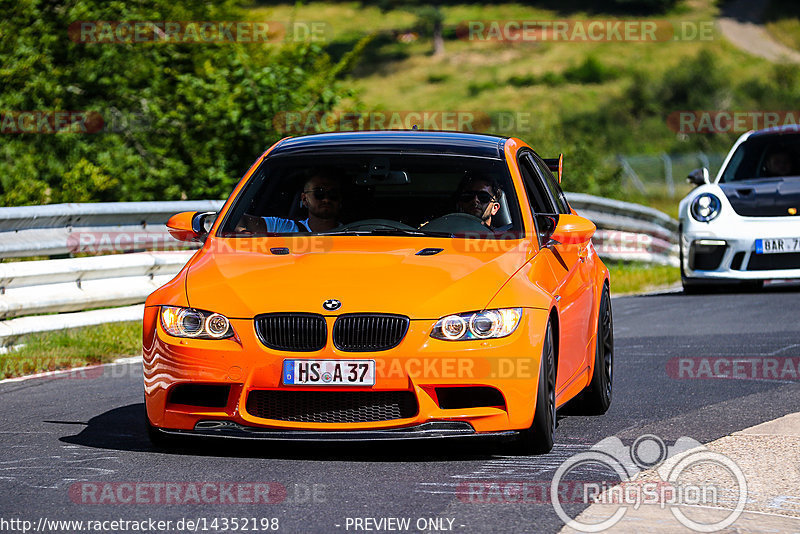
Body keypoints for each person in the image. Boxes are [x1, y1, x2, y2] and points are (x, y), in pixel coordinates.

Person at [238, 170, 343, 234]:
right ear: (304, 199)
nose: (326, 199)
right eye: (319, 193)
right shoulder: (284, 228)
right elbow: (239, 220)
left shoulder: (355, 233)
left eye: (333, 193)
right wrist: (242, 232)